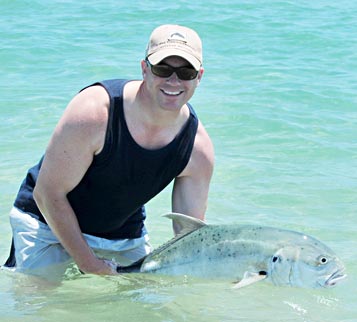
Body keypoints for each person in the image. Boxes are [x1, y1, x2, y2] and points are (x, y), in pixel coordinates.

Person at [3, 24, 214, 280]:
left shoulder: (196, 148)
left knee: (144, 308)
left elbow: (189, 237)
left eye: (186, 72)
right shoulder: (95, 112)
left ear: (199, 76)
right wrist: (90, 263)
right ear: (144, 69)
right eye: (163, 69)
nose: (173, 81)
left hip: (122, 235)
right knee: (40, 307)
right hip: (45, 221)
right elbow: (47, 194)